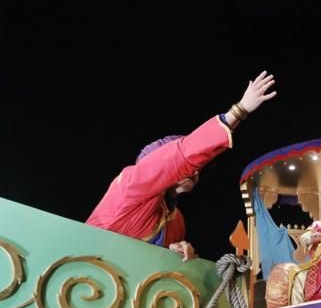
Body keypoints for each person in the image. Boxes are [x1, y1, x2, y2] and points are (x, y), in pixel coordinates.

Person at [87, 71, 277, 261]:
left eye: (199, 169)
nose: (194, 171)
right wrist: (239, 111)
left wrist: (178, 255)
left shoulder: (177, 221)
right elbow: (181, 156)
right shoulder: (131, 184)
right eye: (187, 166)